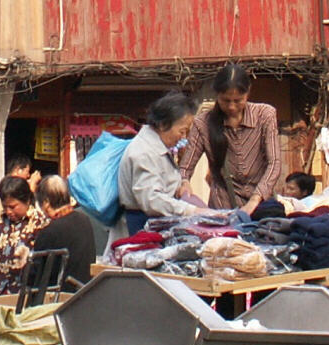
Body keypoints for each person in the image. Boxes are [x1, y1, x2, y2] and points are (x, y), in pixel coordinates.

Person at [176, 64, 283, 214]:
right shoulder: (202, 123)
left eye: (238, 100)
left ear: (248, 93)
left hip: (262, 207)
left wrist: (254, 200)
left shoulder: (265, 115)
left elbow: (275, 163)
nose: (232, 107)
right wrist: (184, 182)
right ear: (217, 95)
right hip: (223, 209)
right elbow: (185, 167)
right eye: (225, 100)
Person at [118, 90, 201, 233]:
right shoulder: (144, 152)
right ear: (163, 125)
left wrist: (182, 184)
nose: (183, 137)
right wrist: (192, 210)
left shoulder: (158, 147)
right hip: (143, 224)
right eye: (182, 131)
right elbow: (152, 200)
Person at [0, 176, 48, 295]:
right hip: (0, 291)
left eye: (12, 207)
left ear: (26, 201)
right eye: (5, 206)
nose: (8, 212)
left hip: (26, 293)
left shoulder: (40, 223)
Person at [30, 174, 95, 289]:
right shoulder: (84, 220)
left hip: (60, 299)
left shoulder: (49, 232)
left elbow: (37, 275)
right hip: (84, 293)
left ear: (46, 203)